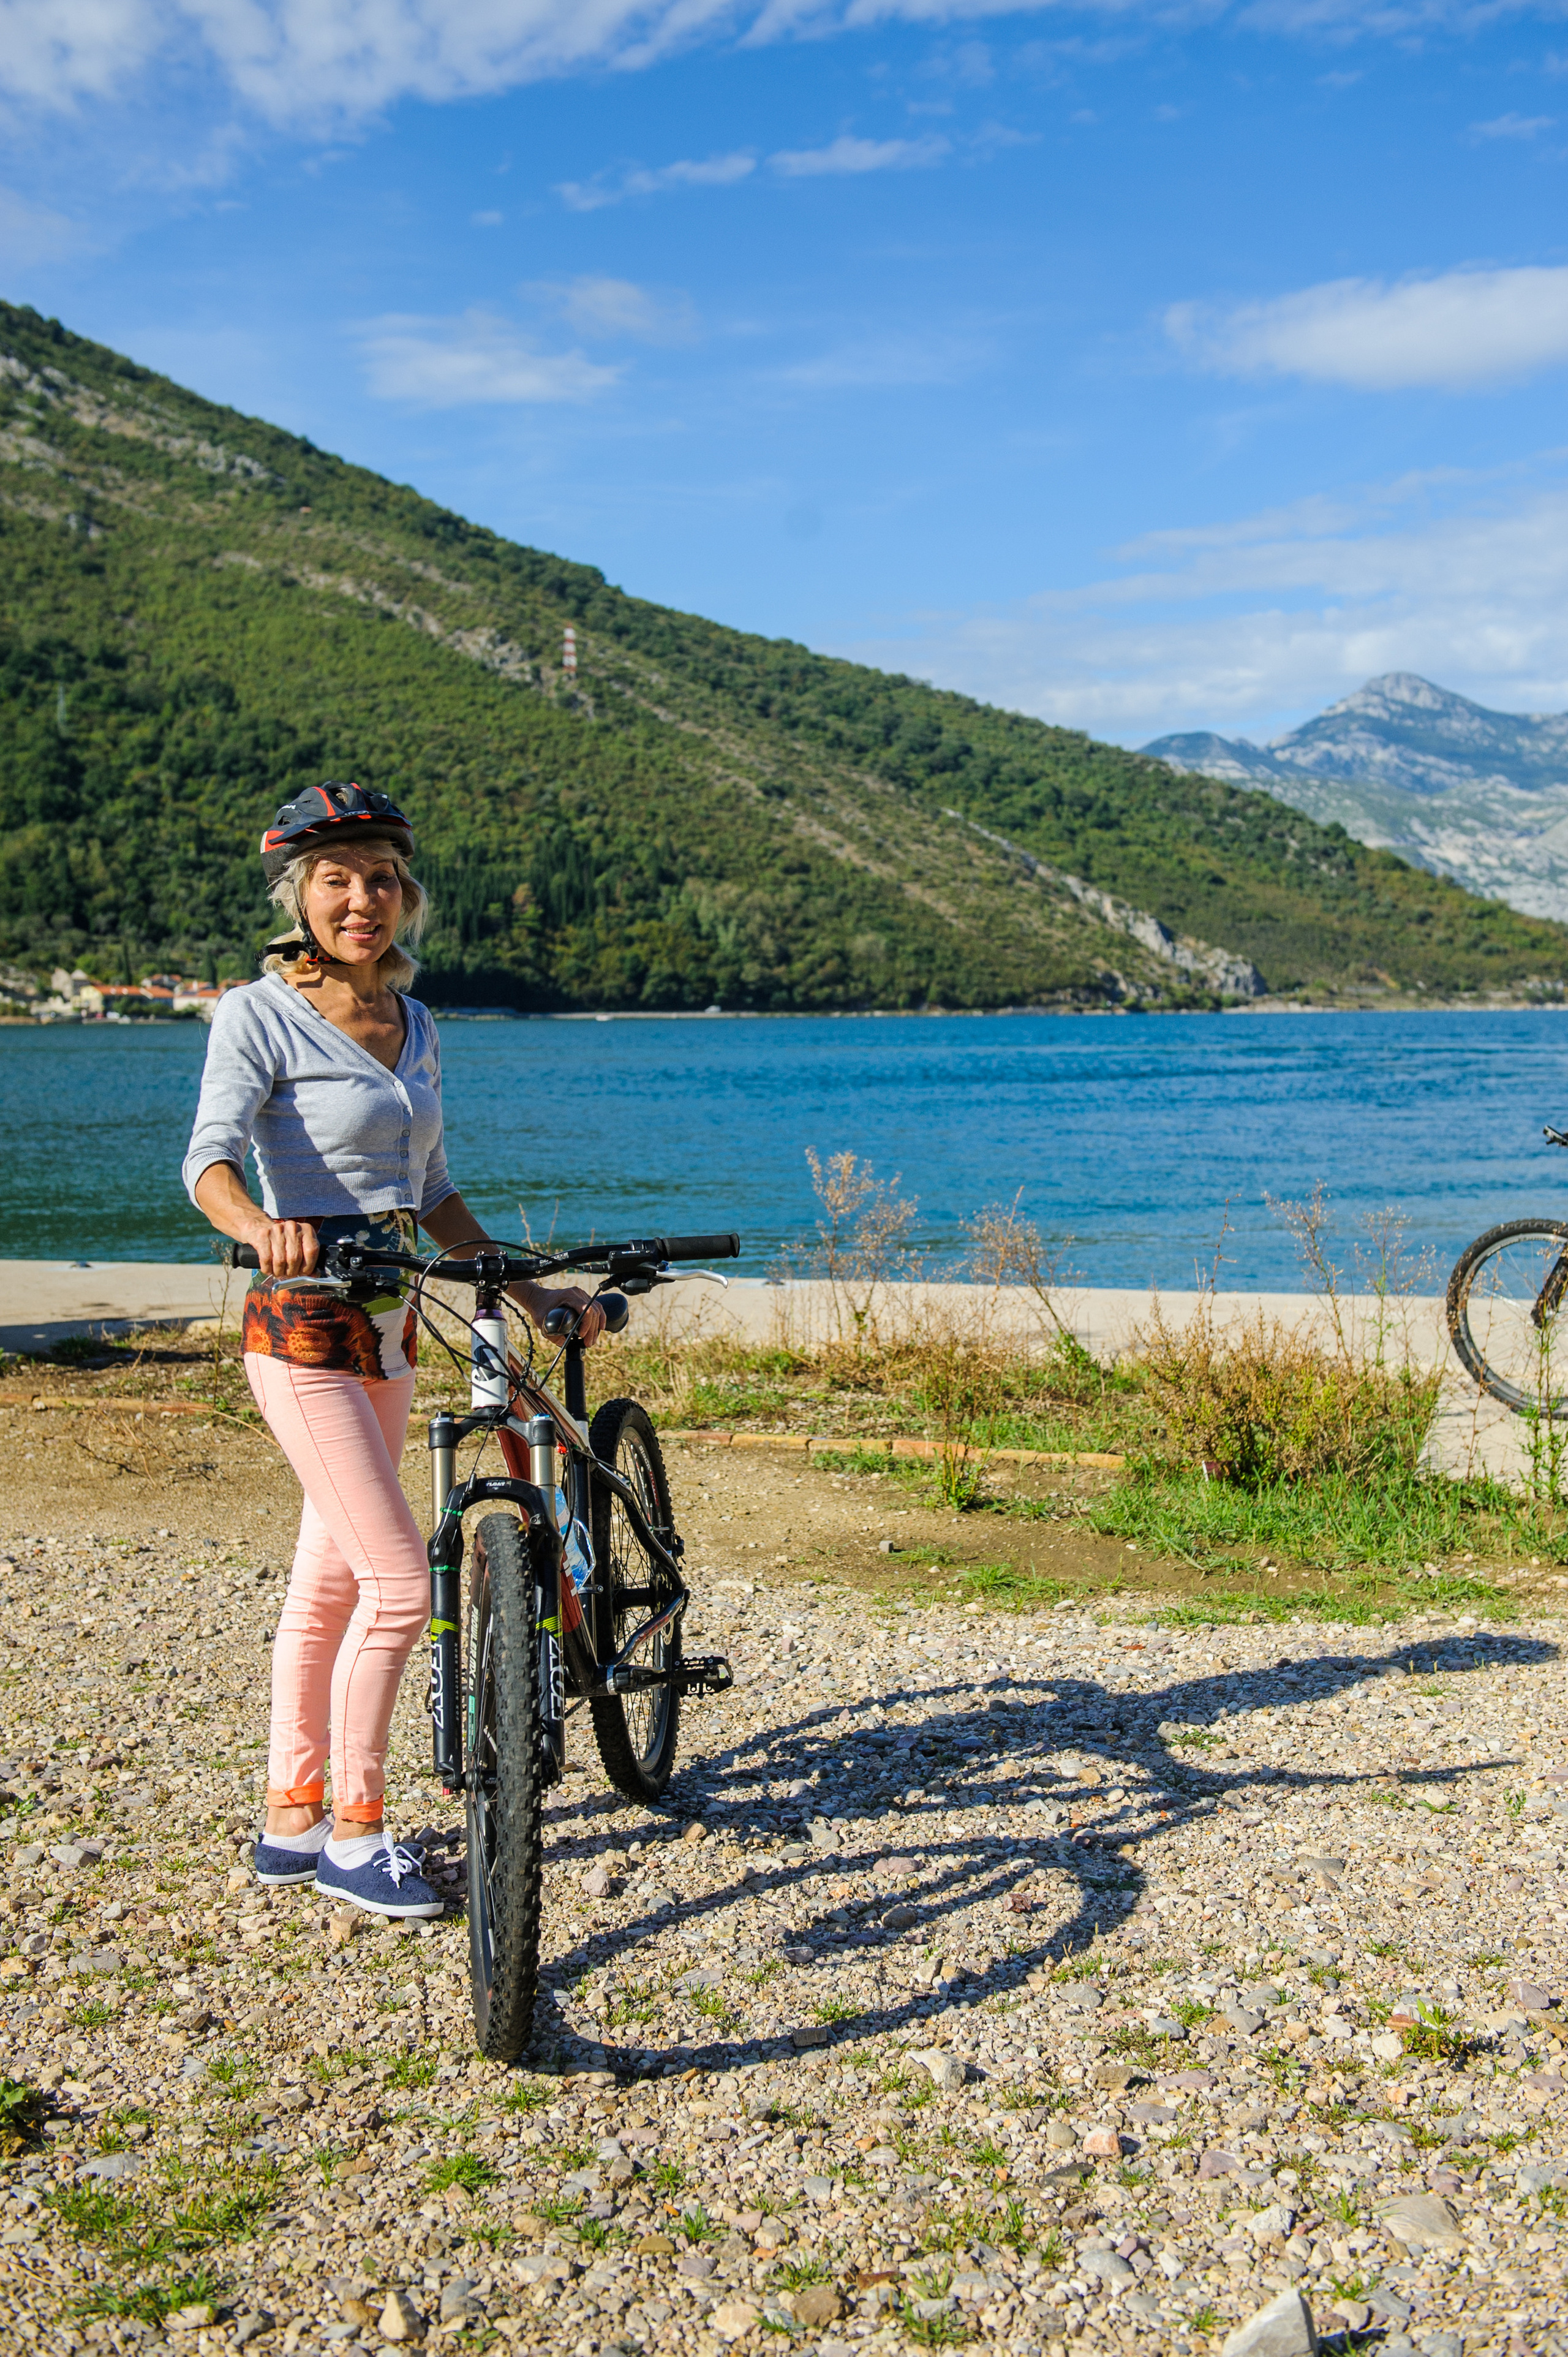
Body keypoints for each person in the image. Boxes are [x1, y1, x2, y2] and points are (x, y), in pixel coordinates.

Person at [183, 782, 604, 1918]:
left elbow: (431, 1195)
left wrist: (529, 1284)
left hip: (392, 1328)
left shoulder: (415, 1026)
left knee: (326, 1587)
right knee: (397, 1587)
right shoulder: (256, 1014)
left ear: (404, 896)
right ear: (301, 899)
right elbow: (209, 1161)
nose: (359, 901)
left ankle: (292, 1817)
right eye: (335, 882)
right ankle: (359, 1836)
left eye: (378, 880)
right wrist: (255, 1226)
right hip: (301, 1327)